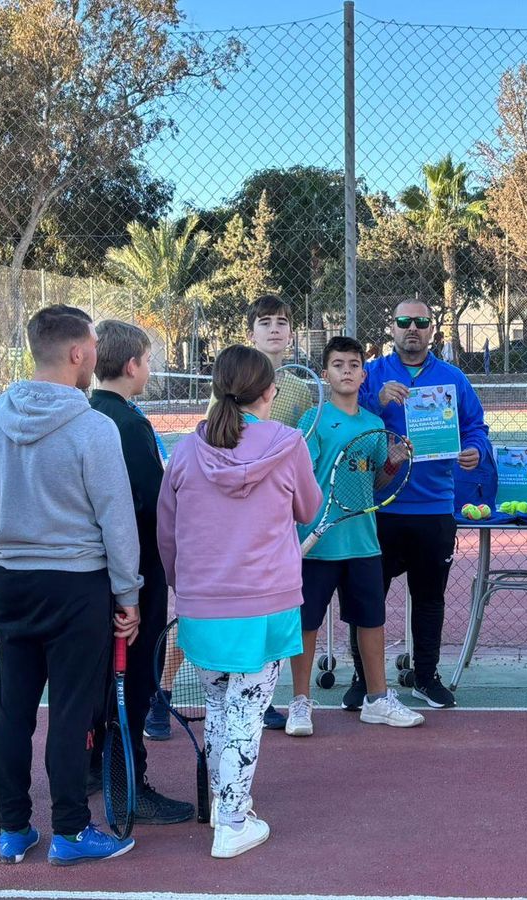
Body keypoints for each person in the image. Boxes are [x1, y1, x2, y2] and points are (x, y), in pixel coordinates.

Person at [0, 304, 142, 866]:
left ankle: (13, 829)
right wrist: (128, 592)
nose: (95, 355)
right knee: (70, 710)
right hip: (76, 585)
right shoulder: (94, 427)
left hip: (13, 582)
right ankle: (69, 830)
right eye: (92, 346)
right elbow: (116, 517)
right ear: (77, 353)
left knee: (12, 709)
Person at [157, 344, 321, 858]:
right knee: (247, 709)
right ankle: (231, 820)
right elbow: (309, 507)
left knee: (220, 703)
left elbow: (167, 532)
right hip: (264, 602)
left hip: (203, 604)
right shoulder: (289, 442)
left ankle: (226, 806)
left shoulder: (186, 450)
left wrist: (183, 585)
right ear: (269, 391)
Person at [357, 299, 493, 709]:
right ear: (393, 328)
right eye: (403, 321)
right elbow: (348, 418)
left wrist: (475, 451)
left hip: (434, 508)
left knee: (430, 597)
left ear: (432, 330)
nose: (412, 328)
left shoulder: (452, 379)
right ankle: (365, 680)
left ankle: (426, 676)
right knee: (369, 597)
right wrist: (377, 401)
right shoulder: (372, 375)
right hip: (378, 508)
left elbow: (476, 428)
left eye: (421, 322)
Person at [287, 335, 425, 735]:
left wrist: (394, 464)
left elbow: (376, 483)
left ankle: (377, 699)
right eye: (338, 365)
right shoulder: (312, 421)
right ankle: (300, 702)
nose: (346, 371)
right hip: (317, 542)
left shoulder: (375, 424)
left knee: (371, 621)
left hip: (363, 542)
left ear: (364, 374)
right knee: (307, 624)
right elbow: (300, 479)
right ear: (326, 374)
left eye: (353, 364)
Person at [87, 320, 195, 822]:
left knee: (105, 680)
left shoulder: (94, 413)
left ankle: (99, 770)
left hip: (104, 571)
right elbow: (153, 503)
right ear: (131, 365)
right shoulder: (125, 424)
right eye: (148, 360)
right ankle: (126, 786)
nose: (149, 368)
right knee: (130, 681)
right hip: (134, 575)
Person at [242, 294, 296, 730]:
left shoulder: (298, 384)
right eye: (265, 322)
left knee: (270, 604)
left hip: (276, 511)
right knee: (201, 607)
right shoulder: (235, 373)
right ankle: (163, 696)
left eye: (281, 322)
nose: (274, 328)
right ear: (251, 333)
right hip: (235, 510)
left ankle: (263, 696)